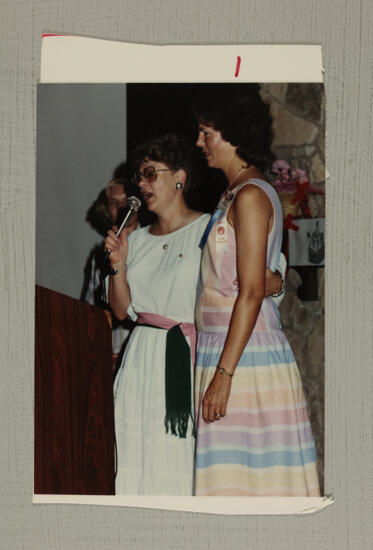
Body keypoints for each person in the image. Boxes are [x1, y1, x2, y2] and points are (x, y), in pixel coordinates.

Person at [193, 86, 320, 496]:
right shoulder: (232, 192)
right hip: (223, 346)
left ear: (233, 134)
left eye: (206, 133)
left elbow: (250, 292)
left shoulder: (250, 196)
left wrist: (224, 375)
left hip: (245, 358)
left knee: (250, 487)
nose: (200, 143)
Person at [105, 134, 210, 495]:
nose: (141, 183)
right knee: (134, 458)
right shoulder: (136, 240)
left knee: (175, 457)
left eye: (151, 173)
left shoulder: (208, 230)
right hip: (139, 361)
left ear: (179, 177)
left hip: (182, 358)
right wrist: (118, 264)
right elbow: (121, 310)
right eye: (139, 175)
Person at [81, 178, 138, 366]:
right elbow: (90, 310)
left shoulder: (152, 244)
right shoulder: (99, 257)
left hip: (138, 351)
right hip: (108, 354)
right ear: (107, 211)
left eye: (127, 201)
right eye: (114, 203)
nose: (123, 208)